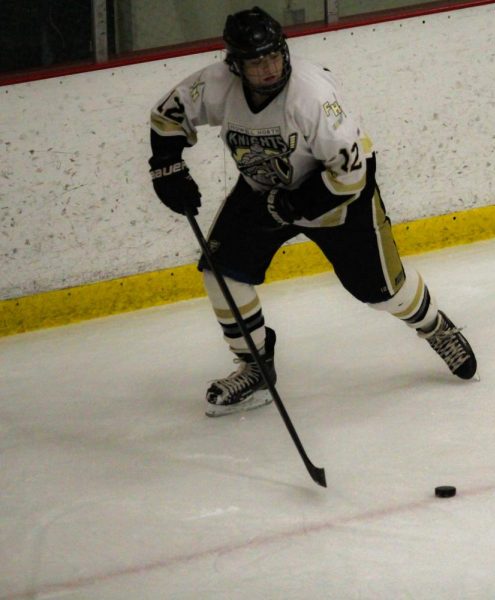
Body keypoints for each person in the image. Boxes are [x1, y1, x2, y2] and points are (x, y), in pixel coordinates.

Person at [148, 6, 477, 416]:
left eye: (273, 55)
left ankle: (435, 327)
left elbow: (350, 174)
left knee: (380, 292)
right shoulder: (216, 85)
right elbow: (168, 114)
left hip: (336, 194)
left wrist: (296, 205)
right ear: (235, 65)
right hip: (264, 188)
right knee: (221, 271)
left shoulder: (313, 96)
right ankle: (255, 367)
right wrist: (167, 167)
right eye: (255, 61)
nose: (268, 68)